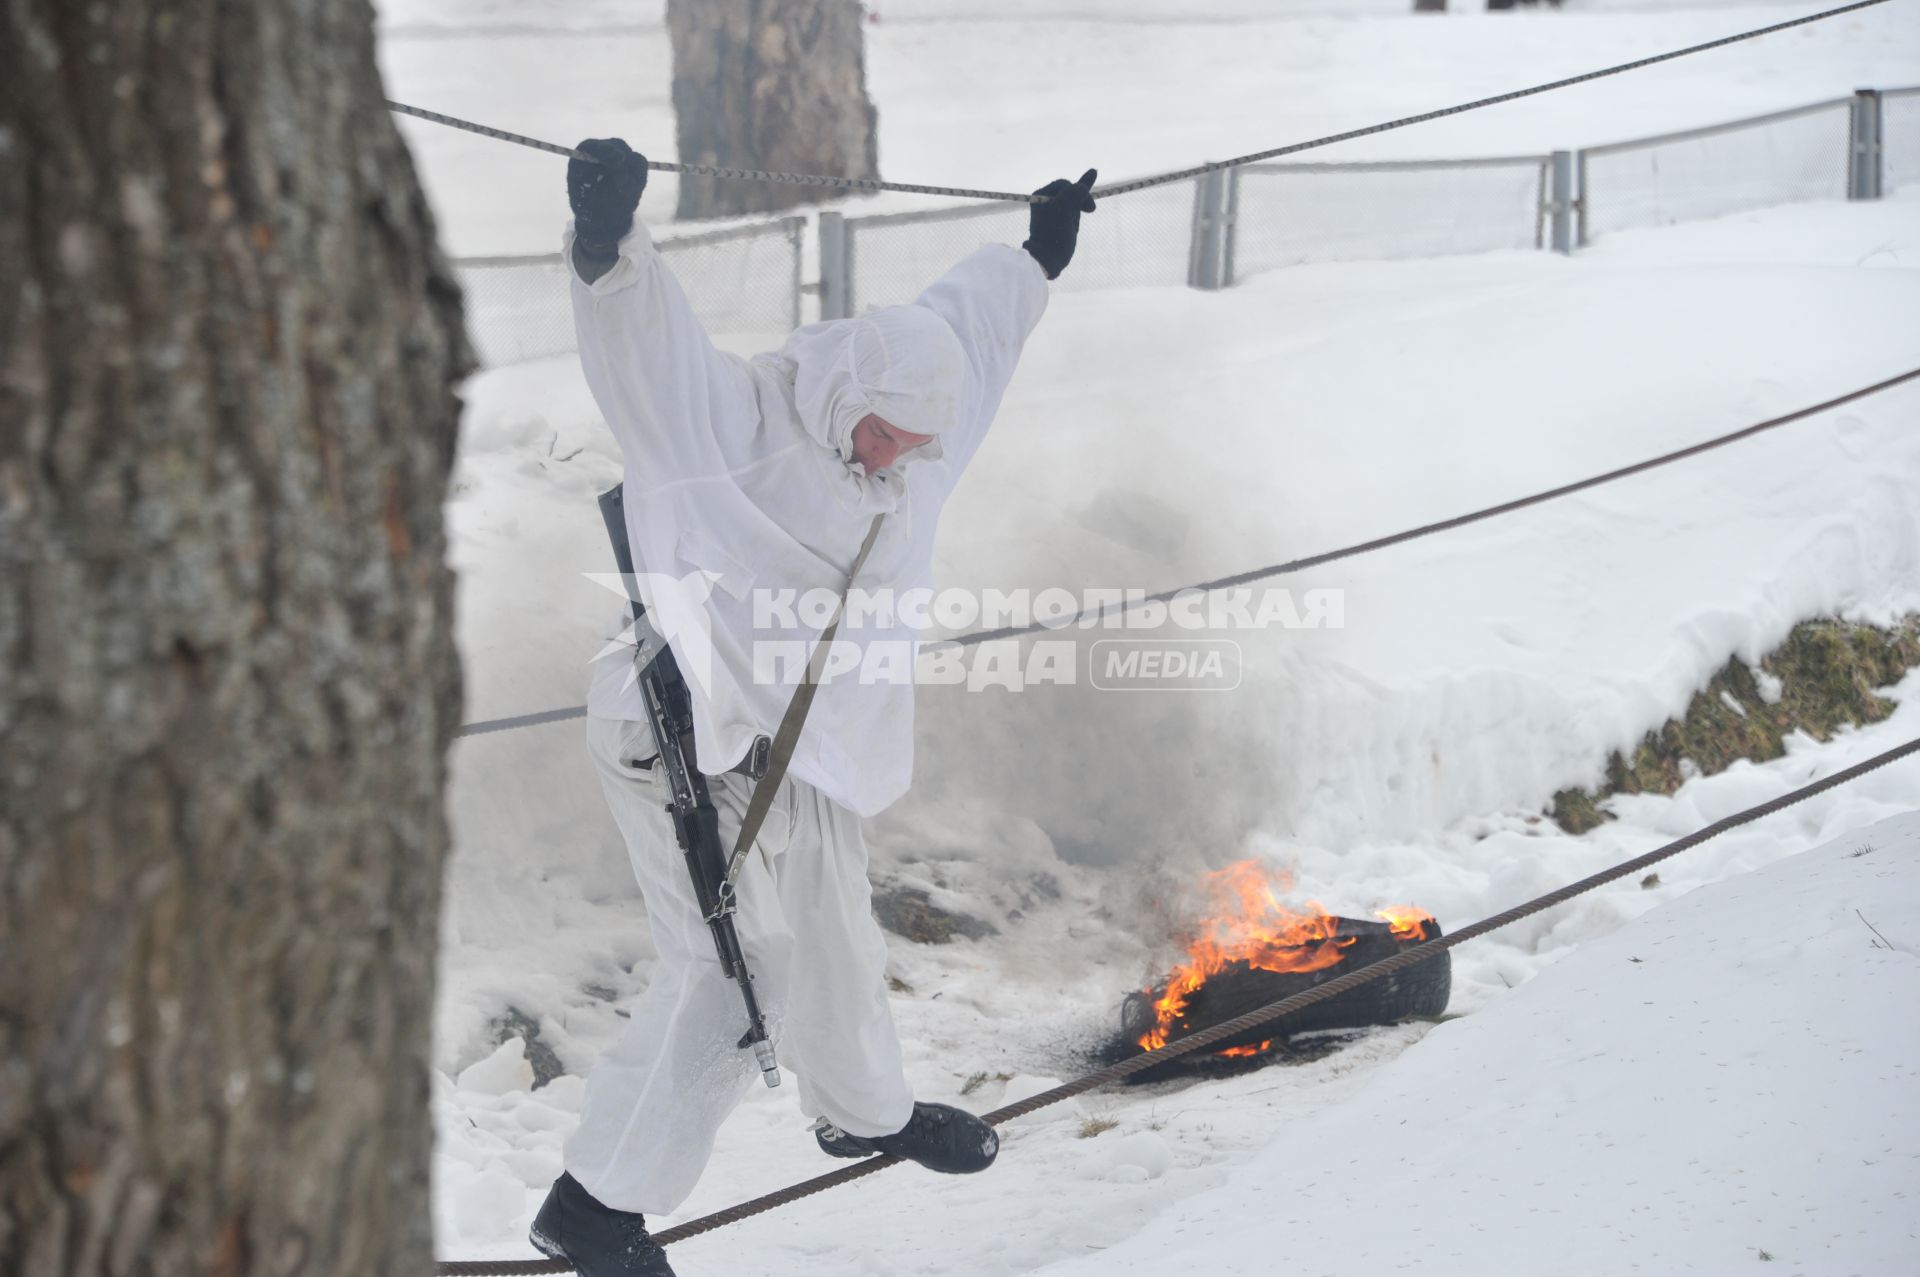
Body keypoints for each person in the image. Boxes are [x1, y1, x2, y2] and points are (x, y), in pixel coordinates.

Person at [529, 137, 1096, 1277]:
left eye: (915, 442)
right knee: (741, 973)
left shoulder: (914, 444)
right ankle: (596, 1204)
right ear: (846, 390)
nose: (897, 458)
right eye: (885, 431)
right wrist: (607, 247)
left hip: (813, 740)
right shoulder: (735, 423)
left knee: (836, 936)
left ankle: (864, 1110)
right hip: (686, 726)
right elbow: (652, 356)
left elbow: (969, 339)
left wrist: (1034, 258)